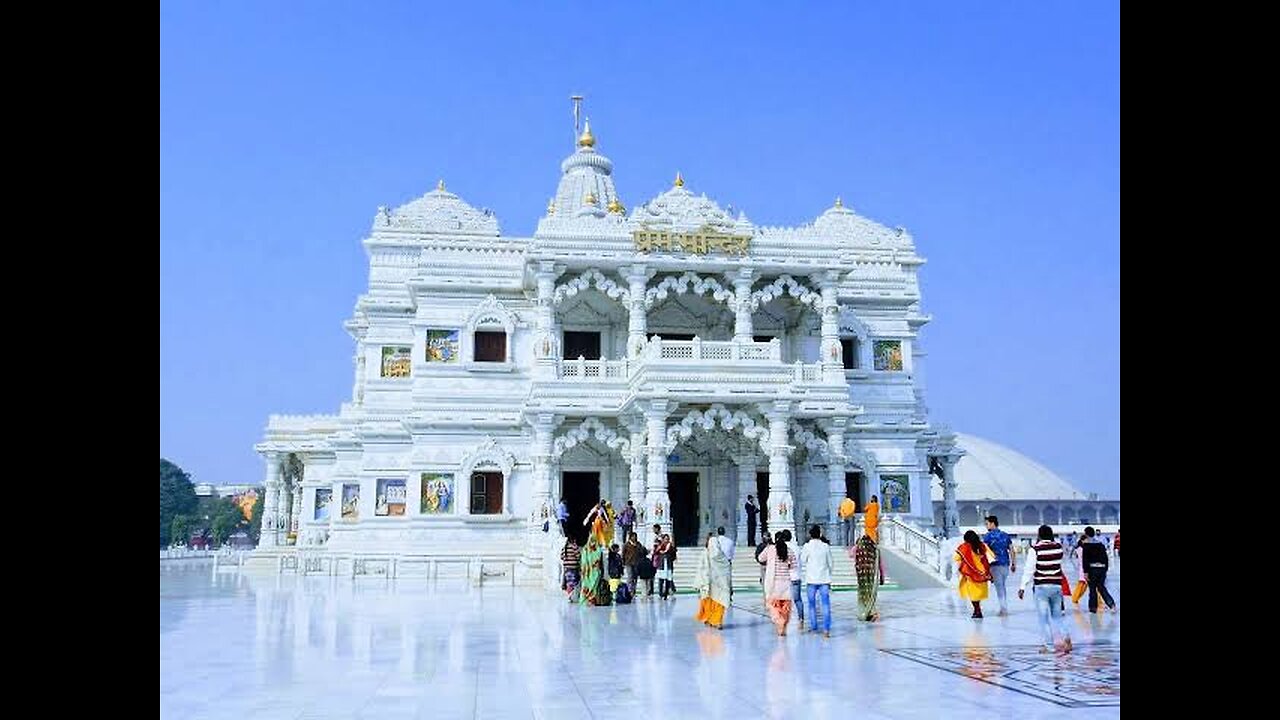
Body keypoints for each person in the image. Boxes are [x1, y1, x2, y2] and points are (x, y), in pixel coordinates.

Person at [1018, 525, 1073, 654]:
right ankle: (1066, 638)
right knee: (1057, 616)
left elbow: (1029, 569)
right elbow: (1059, 564)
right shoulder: (1058, 548)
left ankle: (1049, 646)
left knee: (1044, 618)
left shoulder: (1035, 549)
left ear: (1040, 535)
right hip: (1056, 586)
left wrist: (1022, 587)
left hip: (1041, 587)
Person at [801, 525, 834, 637]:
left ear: (810, 534)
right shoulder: (825, 546)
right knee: (825, 604)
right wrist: (829, 575)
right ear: (820, 534)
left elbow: (802, 560)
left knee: (811, 604)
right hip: (824, 578)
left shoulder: (807, 546)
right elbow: (830, 563)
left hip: (811, 579)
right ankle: (826, 629)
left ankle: (814, 626)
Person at [694, 533, 732, 630]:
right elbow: (727, 570)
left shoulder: (707, 554)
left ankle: (715, 620)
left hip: (711, 585)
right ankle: (715, 621)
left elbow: (701, 569)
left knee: (713, 602)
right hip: (718, 585)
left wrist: (700, 582)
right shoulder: (722, 557)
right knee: (717, 602)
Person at [762, 531, 797, 635]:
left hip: (774, 583)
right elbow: (793, 565)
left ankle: (779, 622)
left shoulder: (770, 549)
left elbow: (760, 558)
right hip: (786, 583)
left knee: (773, 606)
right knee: (785, 608)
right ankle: (783, 629)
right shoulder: (789, 551)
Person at [955, 530, 995, 619]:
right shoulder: (982, 545)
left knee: (973, 594)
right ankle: (977, 610)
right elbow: (992, 555)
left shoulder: (964, 547)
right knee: (977, 594)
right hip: (983, 572)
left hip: (971, 573)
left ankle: (977, 610)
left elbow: (957, 558)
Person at [983, 515, 1016, 616]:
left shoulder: (988, 536)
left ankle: (1003, 609)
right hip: (1005, 564)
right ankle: (1004, 607)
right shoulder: (1005, 535)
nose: (986, 526)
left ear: (993, 523)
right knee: (1002, 586)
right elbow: (1011, 550)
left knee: (999, 587)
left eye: (987, 524)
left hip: (995, 565)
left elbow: (984, 551)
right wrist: (1013, 563)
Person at [1080, 527, 1117, 613]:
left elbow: (1085, 560)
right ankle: (1111, 604)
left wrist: (1085, 572)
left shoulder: (1086, 545)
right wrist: (1105, 569)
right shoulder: (1100, 544)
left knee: (1092, 589)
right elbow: (1105, 558)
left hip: (1092, 570)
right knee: (1101, 587)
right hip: (1101, 569)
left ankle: (1093, 608)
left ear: (1086, 534)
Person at [852, 531, 880, 621]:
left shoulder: (859, 547)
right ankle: (871, 612)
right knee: (870, 593)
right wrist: (881, 576)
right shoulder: (874, 549)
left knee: (862, 594)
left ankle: (865, 613)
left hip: (861, 576)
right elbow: (880, 564)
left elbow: (853, 557)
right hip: (871, 576)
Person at [781, 529, 804, 628]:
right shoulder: (797, 547)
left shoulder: (782, 547)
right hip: (796, 576)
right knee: (798, 599)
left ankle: (784, 619)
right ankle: (801, 618)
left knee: (785, 599)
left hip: (785, 576)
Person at [579, 537, 610, 606]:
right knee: (593, 587)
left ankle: (588, 599)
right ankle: (592, 600)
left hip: (588, 574)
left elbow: (583, 562)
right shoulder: (597, 550)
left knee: (591, 586)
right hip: (593, 573)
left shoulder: (586, 550)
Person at [560, 536, 582, 603]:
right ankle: (573, 596)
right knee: (574, 583)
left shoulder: (565, 547)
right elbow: (578, 555)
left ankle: (570, 596)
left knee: (569, 583)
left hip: (567, 569)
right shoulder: (574, 546)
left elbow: (561, 556)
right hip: (573, 568)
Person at [654, 533, 674, 599]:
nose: (666, 540)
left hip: (668, 564)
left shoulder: (670, 546)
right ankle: (660, 594)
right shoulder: (660, 545)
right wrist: (660, 547)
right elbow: (656, 552)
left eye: (667, 539)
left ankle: (666, 593)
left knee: (668, 580)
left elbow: (673, 554)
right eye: (665, 539)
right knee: (661, 580)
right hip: (661, 564)